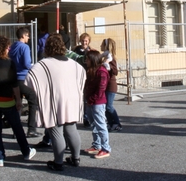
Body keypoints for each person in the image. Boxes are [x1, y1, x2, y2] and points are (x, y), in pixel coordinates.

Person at [24, 34, 86, 171]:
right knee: (71, 129)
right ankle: (76, 158)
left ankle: (58, 163)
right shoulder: (74, 64)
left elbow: (29, 80)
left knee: (56, 131)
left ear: (47, 48)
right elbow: (82, 75)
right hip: (71, 101)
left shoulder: (43, 64)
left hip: (54, 101)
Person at [0, 36, 36, 166]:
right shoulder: (10, 63)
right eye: (7, 47)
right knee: (17, 127)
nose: (9, 49)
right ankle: (26, 152)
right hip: (6, 100)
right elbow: (14, 85)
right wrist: (18, 100)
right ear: (4, 49)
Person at [9, 27, 41, 138]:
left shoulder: (13, 46)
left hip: (13, 79)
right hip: (23, 78)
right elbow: (27, 63)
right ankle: (31, 129)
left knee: (17, 104)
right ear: (23, 35)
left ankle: (16, 131)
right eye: (27, 35)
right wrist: (34, 67)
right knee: (33, 99)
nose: (28, 38)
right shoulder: (25, 47)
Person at [83, 50, 111, 159]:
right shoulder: (92, 70)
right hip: (90, 101)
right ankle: (97, 145)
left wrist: (92, 99)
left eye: (87, 59)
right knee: (93, 124)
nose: (86, 61)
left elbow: (101, 88)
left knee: (101, 125)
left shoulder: (102, 71)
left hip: (97, 103)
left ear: (93, 59)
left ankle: (106, 148)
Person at [101, 38, 122, 131]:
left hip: (111, 85)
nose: (100, 46)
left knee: (109, 106)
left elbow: (115, 71)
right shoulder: (105, 57)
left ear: (106, 46)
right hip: (106, 85)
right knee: (105, 106)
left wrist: (107, 66)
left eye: (102, 44)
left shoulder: (111, 58)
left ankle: (117, 123)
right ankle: (110, 123)